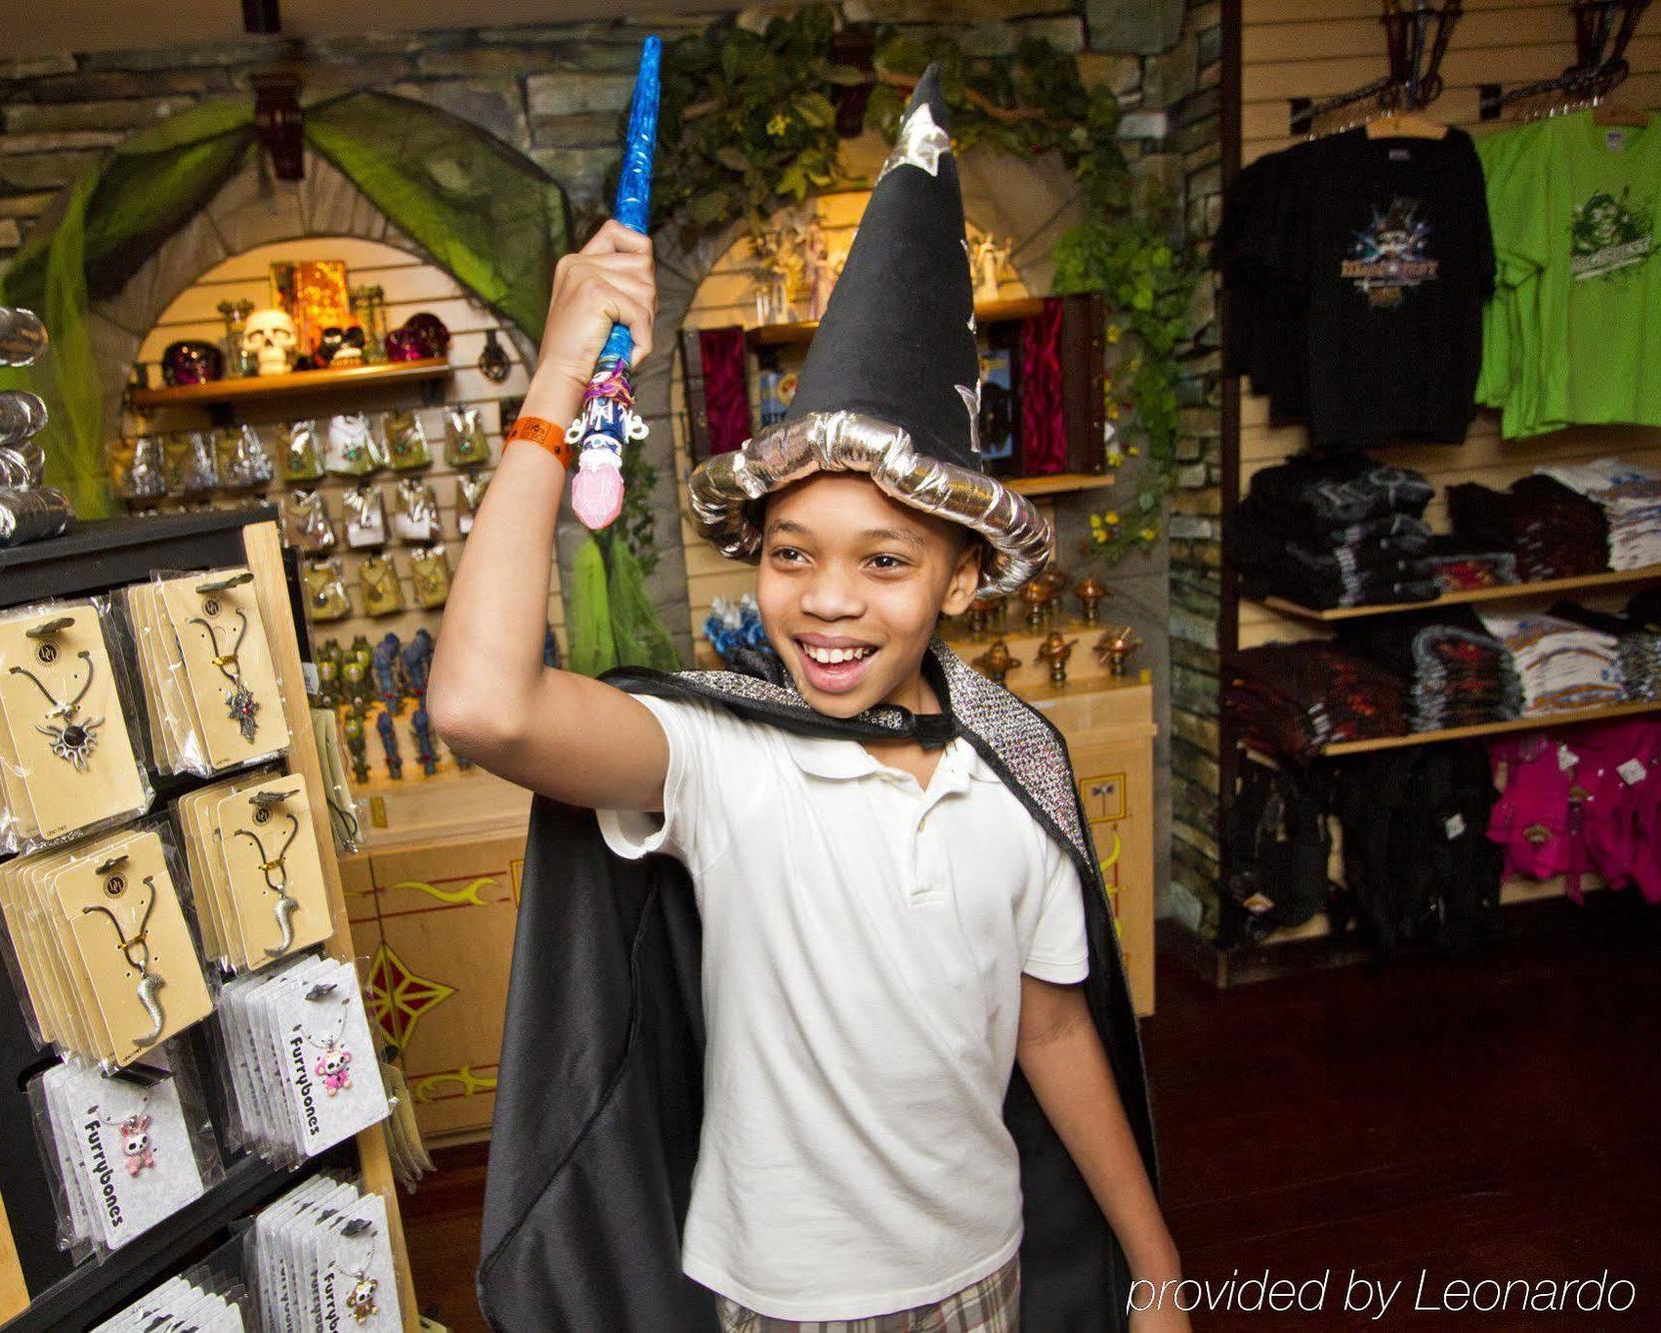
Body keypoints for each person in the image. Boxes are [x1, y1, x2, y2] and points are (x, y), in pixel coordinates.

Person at [434, 64, 1183, 1333]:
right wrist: (555, 382)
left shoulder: (1012, 765)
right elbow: (481, 704)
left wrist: (1155, 1266)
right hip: (779, 1304)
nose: (827, 600)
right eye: (792, 554)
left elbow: (1052, 1035)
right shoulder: (720, 756)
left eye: (885, 561)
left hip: (979, 1278)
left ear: (958, 580)